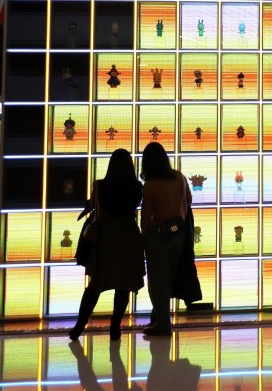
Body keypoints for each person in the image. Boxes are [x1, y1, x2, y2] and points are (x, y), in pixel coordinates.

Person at [70, 148, 145, 341]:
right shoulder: (136, 187)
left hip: (105, 237)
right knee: (124, 285)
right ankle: (115, 327)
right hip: (128, 237)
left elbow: (95, 206)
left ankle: (79, 326)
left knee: (95, 285)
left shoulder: (100, 186)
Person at [140, 142, 192, 337]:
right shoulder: (179, 177)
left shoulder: (151, 185)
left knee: (157, 280)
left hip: (157, 235)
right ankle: (158, 316)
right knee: (169, 277)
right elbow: (189, 199)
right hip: (178, 232)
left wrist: (144, 236)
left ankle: (162, 323)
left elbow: (146, 215)